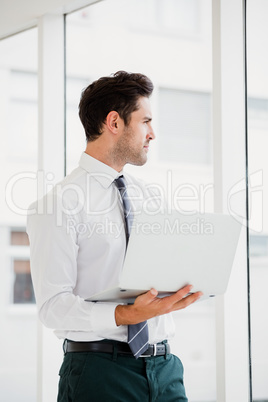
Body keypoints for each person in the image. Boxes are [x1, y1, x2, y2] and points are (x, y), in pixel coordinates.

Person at [27, 71, 202, 402]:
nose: (153, 133)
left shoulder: (150, 198)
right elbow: (53, 306)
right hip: (99, 372)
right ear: (114, 122)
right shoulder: (58, 204)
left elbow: (158, 276)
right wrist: (127, 315)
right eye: (145, 121)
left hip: (165, 369)